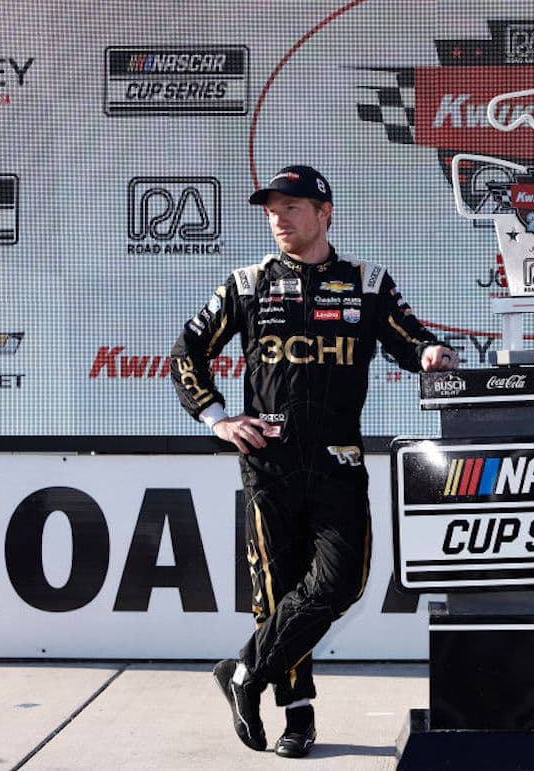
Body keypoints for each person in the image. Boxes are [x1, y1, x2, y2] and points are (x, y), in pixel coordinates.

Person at [170, 165, 459, 758]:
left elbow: (410, 339)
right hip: (268, 463)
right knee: (276, 593)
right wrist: (217, 417)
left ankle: (244, 673)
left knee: (341, 582)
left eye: (291, 207)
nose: (278, 219)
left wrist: (430, 351)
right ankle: (297, 718)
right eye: (271, 209)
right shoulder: (247, 284)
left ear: (325, 213)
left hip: (338, 460)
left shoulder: (366, 282)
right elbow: (187, 352)